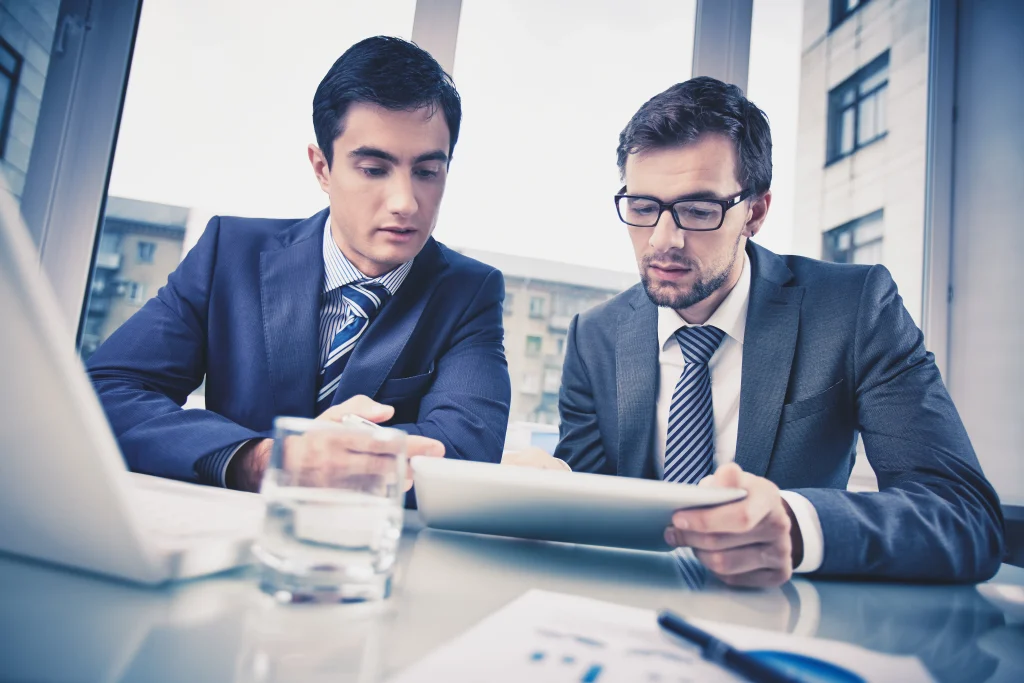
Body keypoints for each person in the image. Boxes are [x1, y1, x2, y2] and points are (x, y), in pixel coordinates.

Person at [506, 77, 1004, 587]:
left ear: (756, 212)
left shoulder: (854, 310)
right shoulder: (595, 336)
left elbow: (965, 516)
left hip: (787, 617)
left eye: (699, 211)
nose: (663, 239)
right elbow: (593, 505)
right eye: (642, 208)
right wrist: (550, 491)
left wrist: (795, 527)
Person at [87, 36, 511, 493]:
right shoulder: (229, 252)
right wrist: (264, 458)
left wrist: (330, 460)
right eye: (373, 169)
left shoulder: (470, 292)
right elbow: (107, 393)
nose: (405, 203)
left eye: (427, 172)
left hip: (367, 547)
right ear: (322, 168)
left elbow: (464, 451)